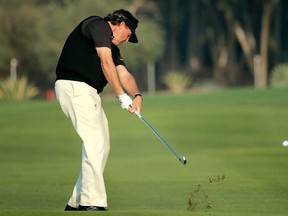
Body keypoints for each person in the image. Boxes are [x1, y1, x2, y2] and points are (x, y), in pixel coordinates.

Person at [54, 9, 143, 211]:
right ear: (120, 24)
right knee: (94, 143)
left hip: (89, 93)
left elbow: (123, 74)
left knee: (102, 145)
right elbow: (105, 63)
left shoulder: (112, 48)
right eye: (128, 35)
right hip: (74, 86)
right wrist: (121, 96)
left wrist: (137, 96)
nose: (127, 40)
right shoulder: (97, 24)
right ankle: (91, 201)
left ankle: (76, 201)